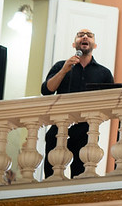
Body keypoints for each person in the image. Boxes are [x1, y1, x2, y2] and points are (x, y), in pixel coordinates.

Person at [41, 29, 114, 178]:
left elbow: (110, 103)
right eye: (80, 35)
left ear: (95, 45)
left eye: (89, 35)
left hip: (86, 130)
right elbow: (46, 90)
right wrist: (63, 70)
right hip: (60, 126)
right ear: (74, 44)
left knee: (81, 175)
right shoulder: (61, 66)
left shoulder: (104, 73)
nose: (85, 37)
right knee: (51, 175)